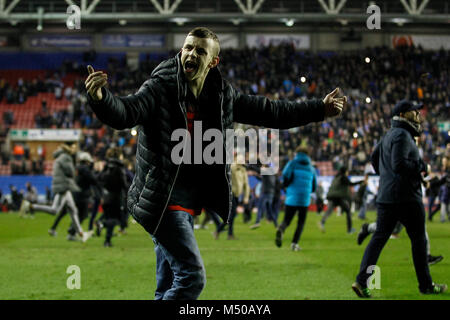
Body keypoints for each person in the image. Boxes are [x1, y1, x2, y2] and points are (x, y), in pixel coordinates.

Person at [85, 27, 346, 300]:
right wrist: (101, 99)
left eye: (200, 50)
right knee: (192, 278)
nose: (191, 53)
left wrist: (319, 109)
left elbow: (271, 112)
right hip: (160, 201)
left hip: (187, 203)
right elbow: (126, 113)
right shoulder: (160, 88)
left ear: (213, 62)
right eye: (188, 48)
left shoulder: (222, 96)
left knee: (168, 286)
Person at [352, 100, 447, 298]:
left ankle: (361, 282)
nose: (418, 114)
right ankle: (426, 285)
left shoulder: (389, 135)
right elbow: (399, 164)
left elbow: (374, 157)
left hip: (387, 196)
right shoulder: (404, 135)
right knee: (419, 241)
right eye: (414, 111)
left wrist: (385, 178)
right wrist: (422, 167)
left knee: (378, 239)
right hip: (407, 198)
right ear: (403, 115)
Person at [30, 142, 91, 242]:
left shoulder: (60, 156)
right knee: (55, 210)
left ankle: (80, 234)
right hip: (63, 186)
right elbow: (70, 172)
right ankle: (31, 206)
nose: (75, 149)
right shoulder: (66, 157)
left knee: (73, 210)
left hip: (63, 185)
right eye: (74, 147)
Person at [275, 146, 317, 251]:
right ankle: (294, 244)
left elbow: (285, 175)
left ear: (297, 153)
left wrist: (286, 185)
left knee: (287, 220)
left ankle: (281, 228)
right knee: (301, 222)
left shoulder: (292, 163)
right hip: (304, 198)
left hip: (292, 196)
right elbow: (314, 185)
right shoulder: (311, 167)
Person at [357, 221, 443, 265]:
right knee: (391, 228)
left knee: (395, 229)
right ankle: (367, 227)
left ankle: (367, 228)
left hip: (407, 197)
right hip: (401, 197)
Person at [98, 147, 128, 247]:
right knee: (118, 219)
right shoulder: (120, 167)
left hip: (106, 196)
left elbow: (100, 178)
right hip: (116, 196)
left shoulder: (107, 166)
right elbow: (123, 183)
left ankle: (106, 237)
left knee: (109, 218)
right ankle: (105, 236)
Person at [319, 166, 363, 234]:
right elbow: (351, 184)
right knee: (348, 211)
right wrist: (361, 182)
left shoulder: (336, 177)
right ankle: (349, 229)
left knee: (329, 211)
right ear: (345, 171)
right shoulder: (343, 177)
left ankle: (322, 222)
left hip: (332, 196)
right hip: (338, 197)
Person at [215, 158, 250, 240]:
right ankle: (228, 234)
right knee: (232, 214)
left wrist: (246, 197)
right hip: (231, 194)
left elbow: (246, 185)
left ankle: (219, 230)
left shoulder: (243, 170)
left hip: (237, 194)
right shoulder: (232, 167)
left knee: (232, 215)